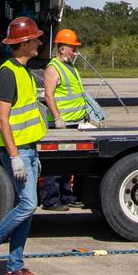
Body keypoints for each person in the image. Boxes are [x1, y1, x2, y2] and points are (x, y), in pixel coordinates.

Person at [0, 17, 49, 275]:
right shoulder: (7, 73)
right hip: (18, 152)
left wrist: (32, 153)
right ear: (24, 43)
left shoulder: (23, 71)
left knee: (26, 208)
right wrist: (15, 156)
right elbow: (4, 120)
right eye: (35, 39)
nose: (39, 43)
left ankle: (15, 267)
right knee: (27, 204)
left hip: (28, 150)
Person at [40, 28, 88, 209]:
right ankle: (51, 199)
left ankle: (67, 196)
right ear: (62, 49)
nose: (75, 52)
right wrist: (58, 118)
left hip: (75, 122)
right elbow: (49, 95)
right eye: (72, 49)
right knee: (57, 164)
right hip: (62, 124)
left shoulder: (71, 67)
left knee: (69, 163)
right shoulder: (53, 68)